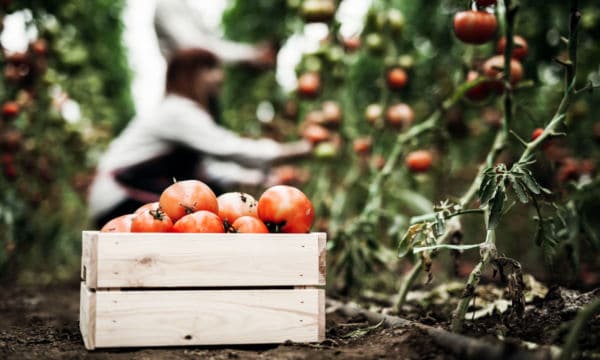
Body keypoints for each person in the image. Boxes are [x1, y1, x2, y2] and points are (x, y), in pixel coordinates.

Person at [88, 48, 311, 228]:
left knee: (207, 206)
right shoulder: (178, 111)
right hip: (120, 197)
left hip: (123, 193)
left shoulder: (180, 112)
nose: (220, 76)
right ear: (192, 74)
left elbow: (208, 171)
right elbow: (228, 148)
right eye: (210, 68)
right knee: (204, 216)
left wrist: (260, 179)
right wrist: (295, 150)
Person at [153, 0, 274, 66]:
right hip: (183, 87)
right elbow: (196, 46)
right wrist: (251, 54)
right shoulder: (167, 4)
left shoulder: (187, 7)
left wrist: (253, 52)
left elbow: (211, 42)